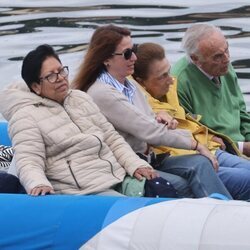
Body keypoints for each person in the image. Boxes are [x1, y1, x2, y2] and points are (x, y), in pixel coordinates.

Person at [73, 24, 232, 199]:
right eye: (127, 54)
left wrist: (160, 117)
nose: (134, 57)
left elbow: (146, 121)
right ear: (106, 59)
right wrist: (195, 144)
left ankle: (228, 212)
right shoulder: (101, 93)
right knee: (180, 185)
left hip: (151, 159)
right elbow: (147, 130)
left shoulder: (130, 83)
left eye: (133, 50)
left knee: (200, 163)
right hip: (129, 167)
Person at [0, 44, 163, 197]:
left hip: (117, 176)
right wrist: (38, 184)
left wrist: (136, 165)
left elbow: (112, 139)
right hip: (85, 190)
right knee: (139, 208)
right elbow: (28, 160)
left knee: (164, 188)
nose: (60, 78)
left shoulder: (81, 99)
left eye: (62, 71)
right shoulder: (25, 116)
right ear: (36, 86)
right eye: (51, 75)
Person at [133, 42, 250, 200]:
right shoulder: (137, 98)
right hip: (183, 156)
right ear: (140, 82)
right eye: (162, 76)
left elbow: (186, 121)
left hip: (208, 148)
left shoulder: (169, 88)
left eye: (168, 72)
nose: (172, 80)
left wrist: (208, 137)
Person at [171, 23, 250, 157]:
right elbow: (190, 134)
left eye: (227, 50)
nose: (227, 59)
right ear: (195, 59)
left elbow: (241, 111)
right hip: (218, 151)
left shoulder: (225, 67)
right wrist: (241, 147)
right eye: (217, 56)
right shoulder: (178, 83)